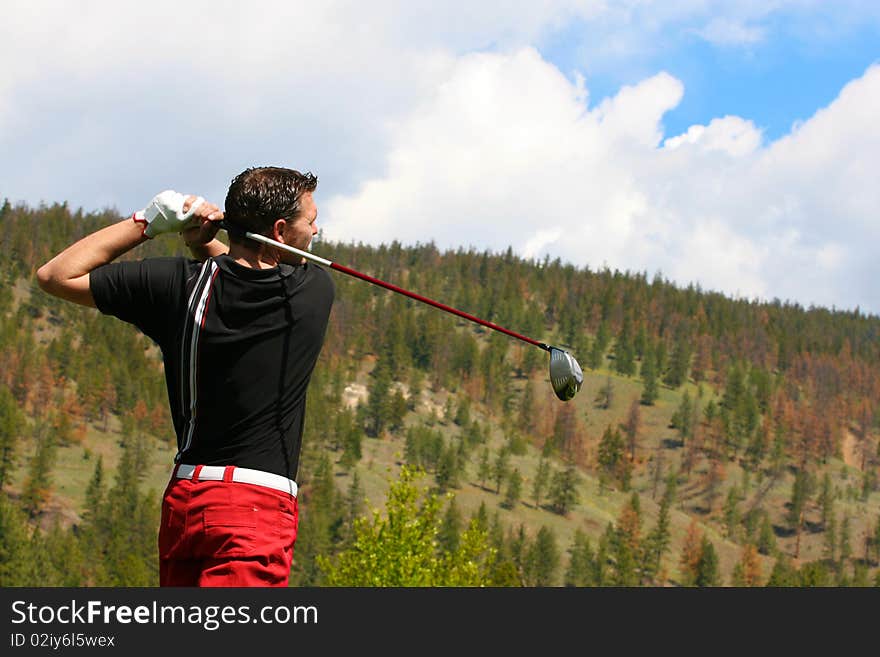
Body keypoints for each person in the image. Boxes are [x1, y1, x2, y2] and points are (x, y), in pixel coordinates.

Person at [36, 166, 335, 586]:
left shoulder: (178, 286)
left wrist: (149, 223)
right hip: (254, 510)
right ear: (280, 231)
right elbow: (249, 277)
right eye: (312, 220)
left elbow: (56, 275)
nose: (317, 230)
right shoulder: (313, 290)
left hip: (186, 504)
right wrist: (206, 244)